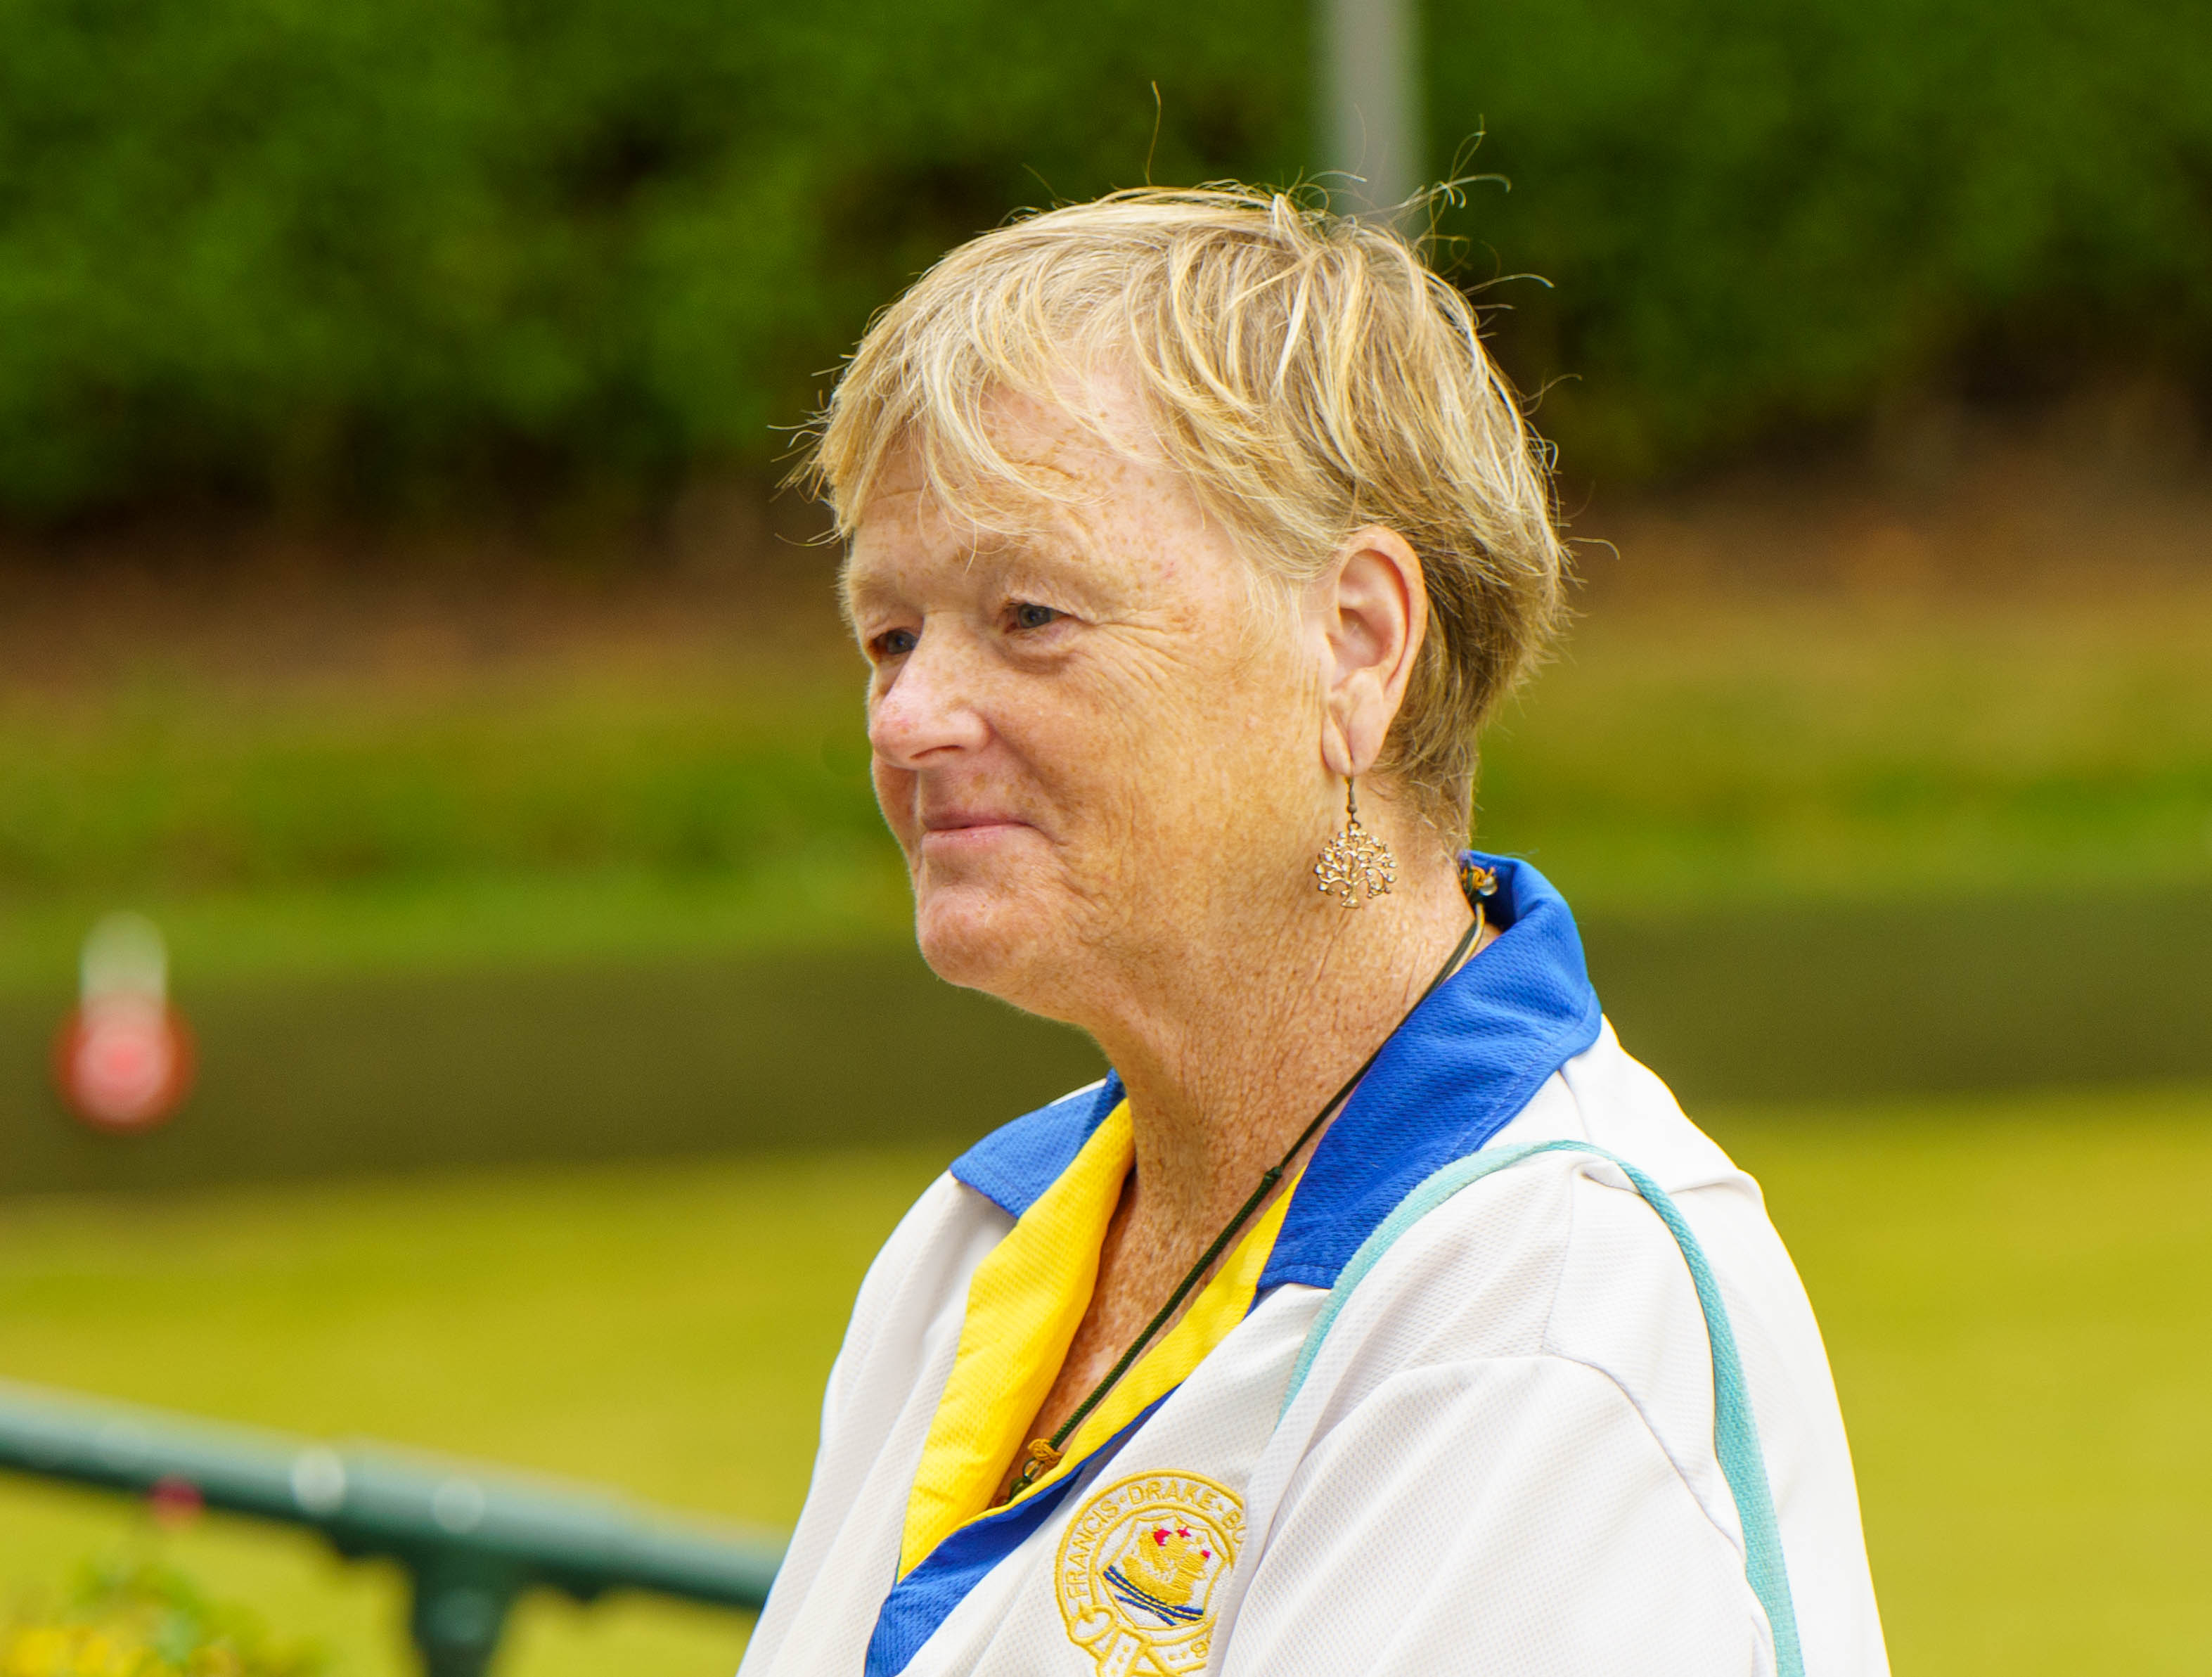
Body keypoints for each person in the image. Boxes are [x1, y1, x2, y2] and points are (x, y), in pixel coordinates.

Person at [739, 186, 1886, 1677]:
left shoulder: (1542, 1300)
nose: (907, 713)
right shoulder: (980, 1239)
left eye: (1026, 612)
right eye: (887, 632)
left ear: (1356, 644)